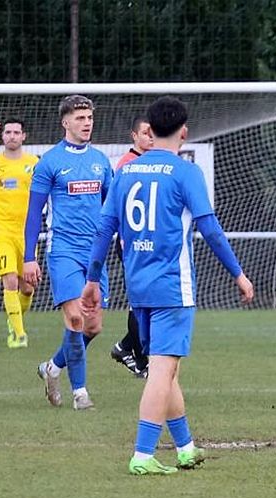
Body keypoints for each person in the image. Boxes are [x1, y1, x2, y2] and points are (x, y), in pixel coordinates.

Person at [81, 96, 254, 474]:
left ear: (150, 130)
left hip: (138, 285)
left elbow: (104, 229)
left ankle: (186, 447)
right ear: (184, 131)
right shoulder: (185, 172)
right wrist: (238, 274)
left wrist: (93, 279)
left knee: (166, 367)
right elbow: (209, 228)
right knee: (161, 369)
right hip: (173, 286)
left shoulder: (125, 172)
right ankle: (143, 454)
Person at [23, 95, 113, 410]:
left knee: (93, 326)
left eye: (89, 117)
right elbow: (34, 212)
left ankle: (52, 367)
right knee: (75, 318)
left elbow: (110, 207)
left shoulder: (101, 161)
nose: (86, 123)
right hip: (63, 249)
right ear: (65, 122)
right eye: (80, 118)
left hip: (96, 252)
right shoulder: (49, 162)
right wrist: (28, 256)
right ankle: (80, 393)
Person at [110, 114, 155, 377]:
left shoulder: (153, 162)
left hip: (149, 242)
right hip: (131, 242)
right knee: (139, 301)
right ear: (134, 136)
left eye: (153, 133)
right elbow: (122, 205)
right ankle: (138, 355)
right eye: (145, 133)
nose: (150, 137)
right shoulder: (127, 164)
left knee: (146, 300)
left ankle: (126, 347)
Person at [0, 119, 39, 349]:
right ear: (3, 136)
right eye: (8, 132)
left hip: (27, 233)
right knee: (9, 280)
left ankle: (15, 320)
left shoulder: (34, 163)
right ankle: (19, 334)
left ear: (24, 136)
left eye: (16, 132)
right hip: (0, 231)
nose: (12, 136)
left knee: (28, 287)